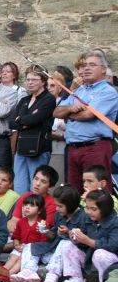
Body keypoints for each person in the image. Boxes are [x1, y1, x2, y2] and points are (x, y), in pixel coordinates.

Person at [54, 50, 118, 190]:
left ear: (103, 70)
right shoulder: (78, 90)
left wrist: (67, 113)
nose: (86, 68)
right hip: (73, 148)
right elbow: (56, 112)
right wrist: (71, 109)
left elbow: (87, 115)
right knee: (74, 195)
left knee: (96, 194)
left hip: (94, 147)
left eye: (92, 65)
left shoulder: (107, 91)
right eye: (84, 65)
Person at [11, 185, 88, 282]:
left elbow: (84, 241)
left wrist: (69, 232)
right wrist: (45, 232)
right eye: (56, 205)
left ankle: (52, 276)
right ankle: (29, 272)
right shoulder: (58, 215)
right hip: (53, 251)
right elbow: (52, 236)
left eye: (60, 206)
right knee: (29, 246)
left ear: (70, 205)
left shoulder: (83, 217)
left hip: (72, 256)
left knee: (64, 243)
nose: (57, 209)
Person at [9, 66, 56, 194]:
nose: (30, 82)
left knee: (36, 187)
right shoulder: (24, 100)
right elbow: (12, 122)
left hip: (39, 147)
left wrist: (23, 120)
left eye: (34, 79)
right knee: (19, 188)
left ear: (43, 81)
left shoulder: (48, 99)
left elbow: (35, 119)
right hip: (21, 147)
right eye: (28, 79)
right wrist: (24, 121)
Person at [0, 194, 48, 280]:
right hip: (21, 247)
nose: (27, 207)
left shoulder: (41, 224)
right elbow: (16, 236)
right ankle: (4, 269)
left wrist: (29, 249)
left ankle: (9, 274)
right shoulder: (21, 222)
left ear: (39, 210)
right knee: (14, 257)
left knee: (20, 259)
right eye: (25, 205)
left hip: (32, 251)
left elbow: (43, 242)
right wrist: (16, 244)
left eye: (31, 205)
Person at [74, 189, 118, 282]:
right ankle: (76, 280)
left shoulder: (115, 222)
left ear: (105, 209)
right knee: (67, 245)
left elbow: (112, 245)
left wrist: (88, 241)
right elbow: (84, 236)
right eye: (87, 208)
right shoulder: (88, 218)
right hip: (90, 258)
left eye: (93, 209)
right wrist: (77, 238)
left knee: (100, 255)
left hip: (112, 262)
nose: (89, 212)